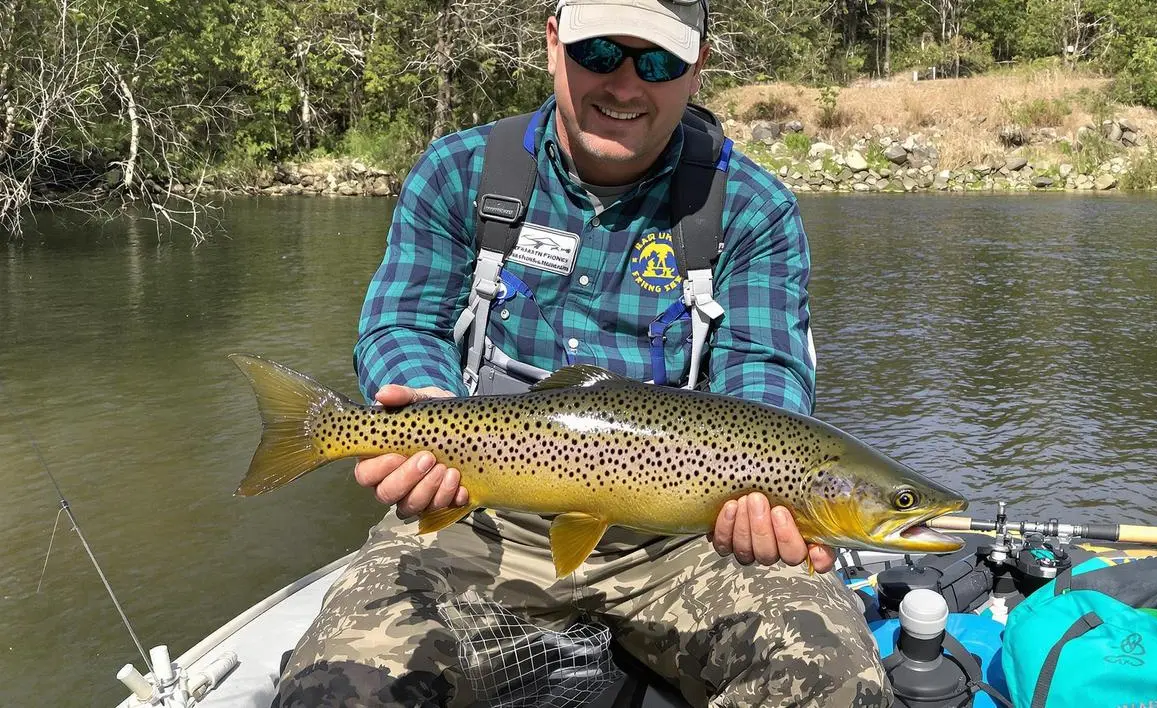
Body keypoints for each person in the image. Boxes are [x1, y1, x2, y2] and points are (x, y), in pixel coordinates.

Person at [274, 0, 891, 705]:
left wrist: (767, 498)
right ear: (553, 44)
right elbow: (400, 325)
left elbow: (766, 369)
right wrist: (424, 404)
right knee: (339, 689)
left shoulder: (753, 207)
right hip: (478, 518)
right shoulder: (459, 171)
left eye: (658, 62)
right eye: (600, 54)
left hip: (686, 543)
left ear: (697, 71)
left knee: (835, 683)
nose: (625, 86)